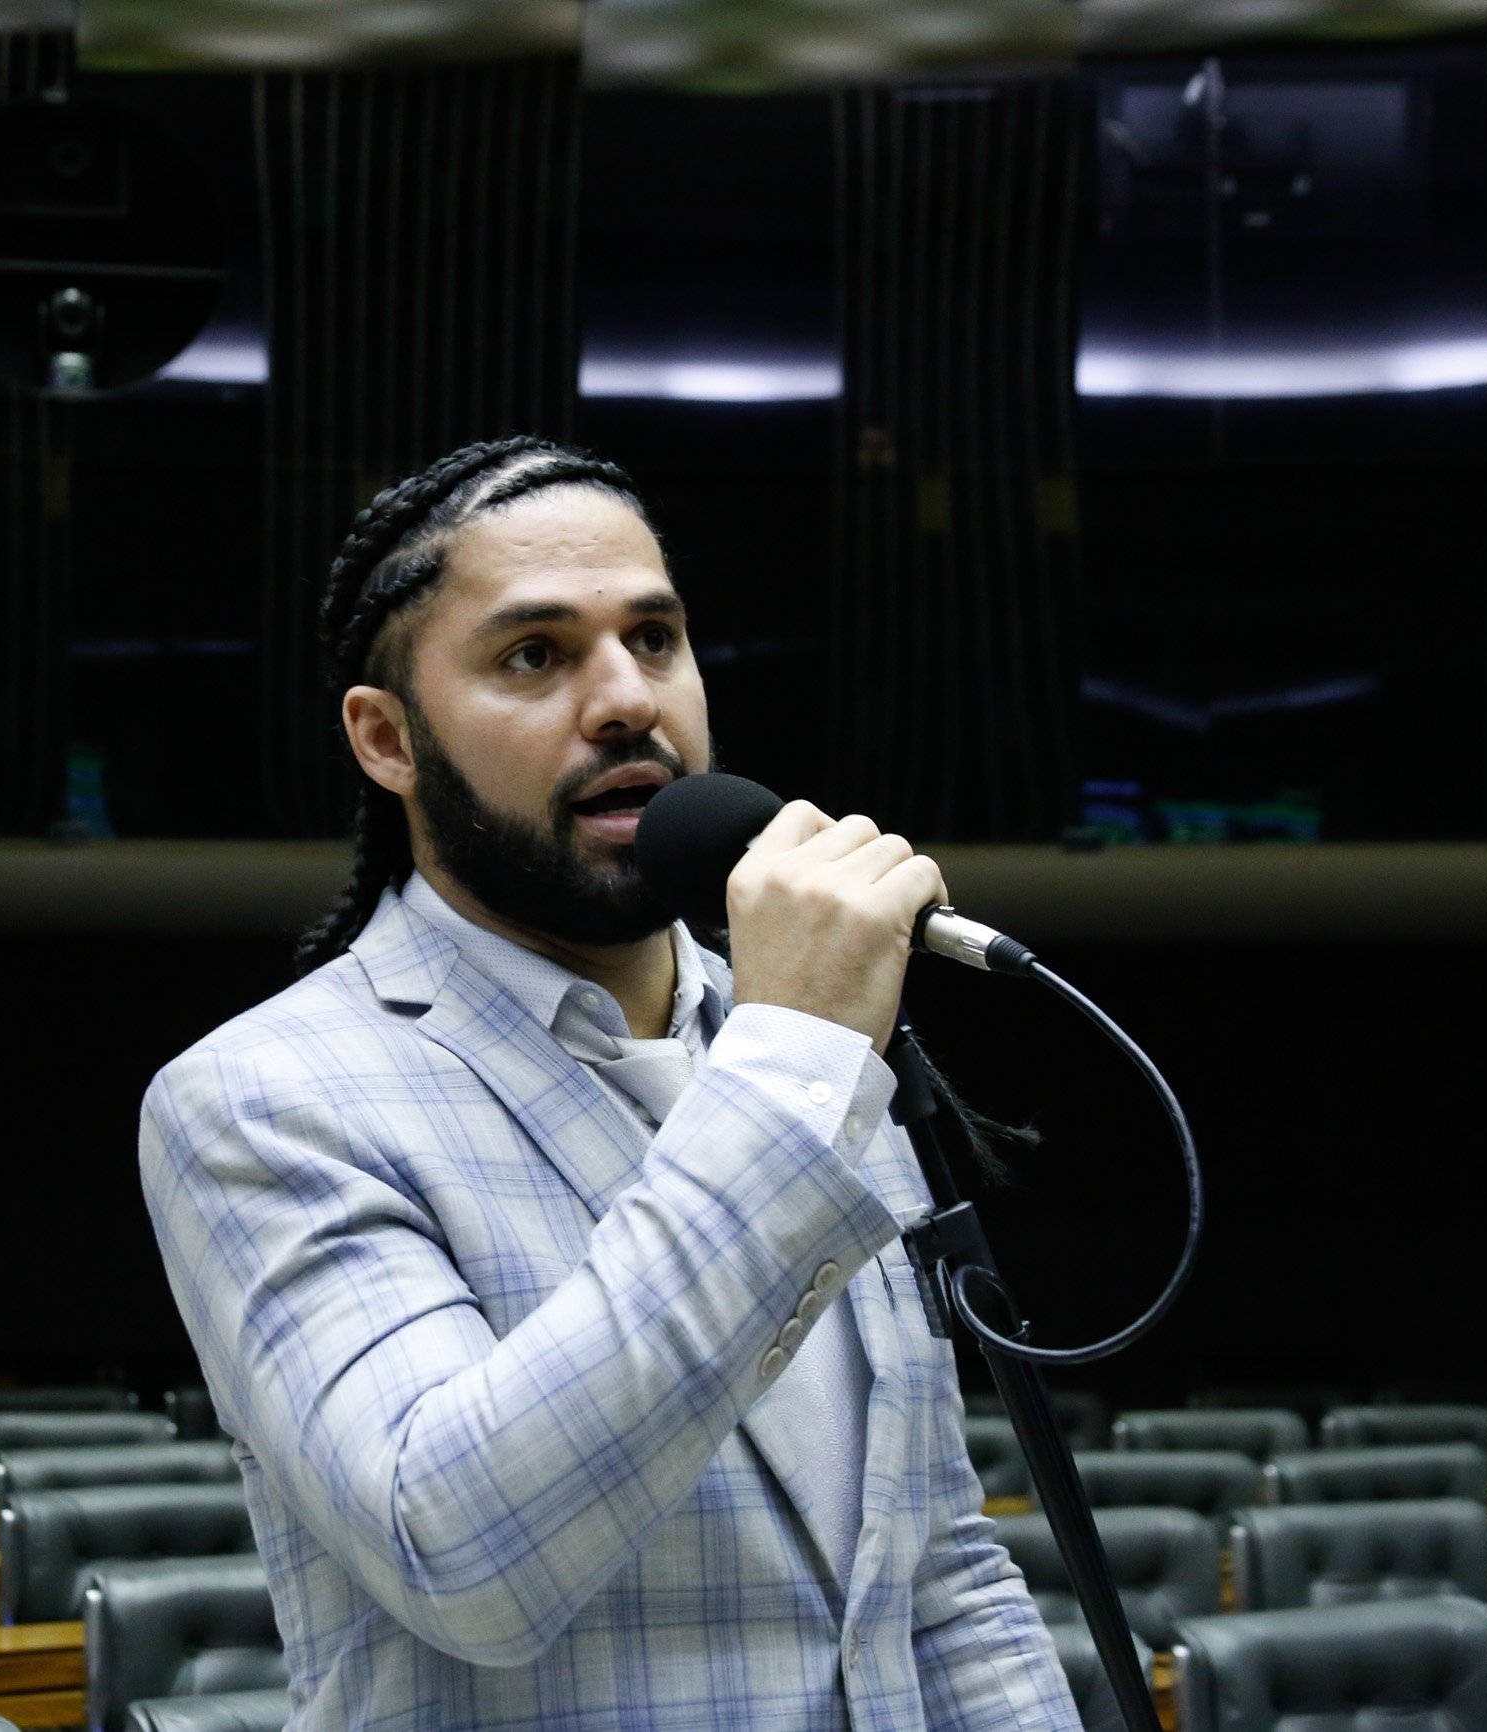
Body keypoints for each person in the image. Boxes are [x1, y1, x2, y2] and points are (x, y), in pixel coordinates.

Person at [140, 436, 1082, 1730]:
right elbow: (463, 1559)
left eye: (654, 637)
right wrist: (795, 1059)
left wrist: (794, 1051)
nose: (625, 698)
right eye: (535, 654)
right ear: (386, 738)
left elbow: (936, 1570)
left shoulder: (795, 1051)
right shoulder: (262, 1095)